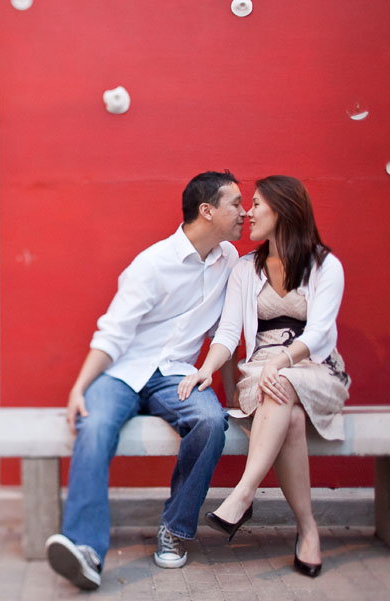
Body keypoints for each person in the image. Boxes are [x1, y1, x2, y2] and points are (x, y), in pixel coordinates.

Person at [45, 171, 246, 591]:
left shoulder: (231, 260)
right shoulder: (152, 264)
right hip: (124, 373)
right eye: (236, 204)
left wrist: (223, 382)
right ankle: (86, 550)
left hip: (176, 376)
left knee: (210, 423)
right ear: (207, 211)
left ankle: (174, 528)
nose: (244, 212)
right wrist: (80, 386)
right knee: (94, 424)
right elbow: (113, 332)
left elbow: (227, 330)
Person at [178, 175, 350, 579]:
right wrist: (206, 369)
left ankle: (243, 493)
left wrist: (284, 360)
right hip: (262, 373)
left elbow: (322, 331)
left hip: (316, 368)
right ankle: (308, 532)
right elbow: (228, 332)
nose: (247, 213)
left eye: (256, 205)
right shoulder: (244, 268)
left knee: (284, 381)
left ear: (284, 210)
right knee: (286, 413)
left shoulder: (326, 265)